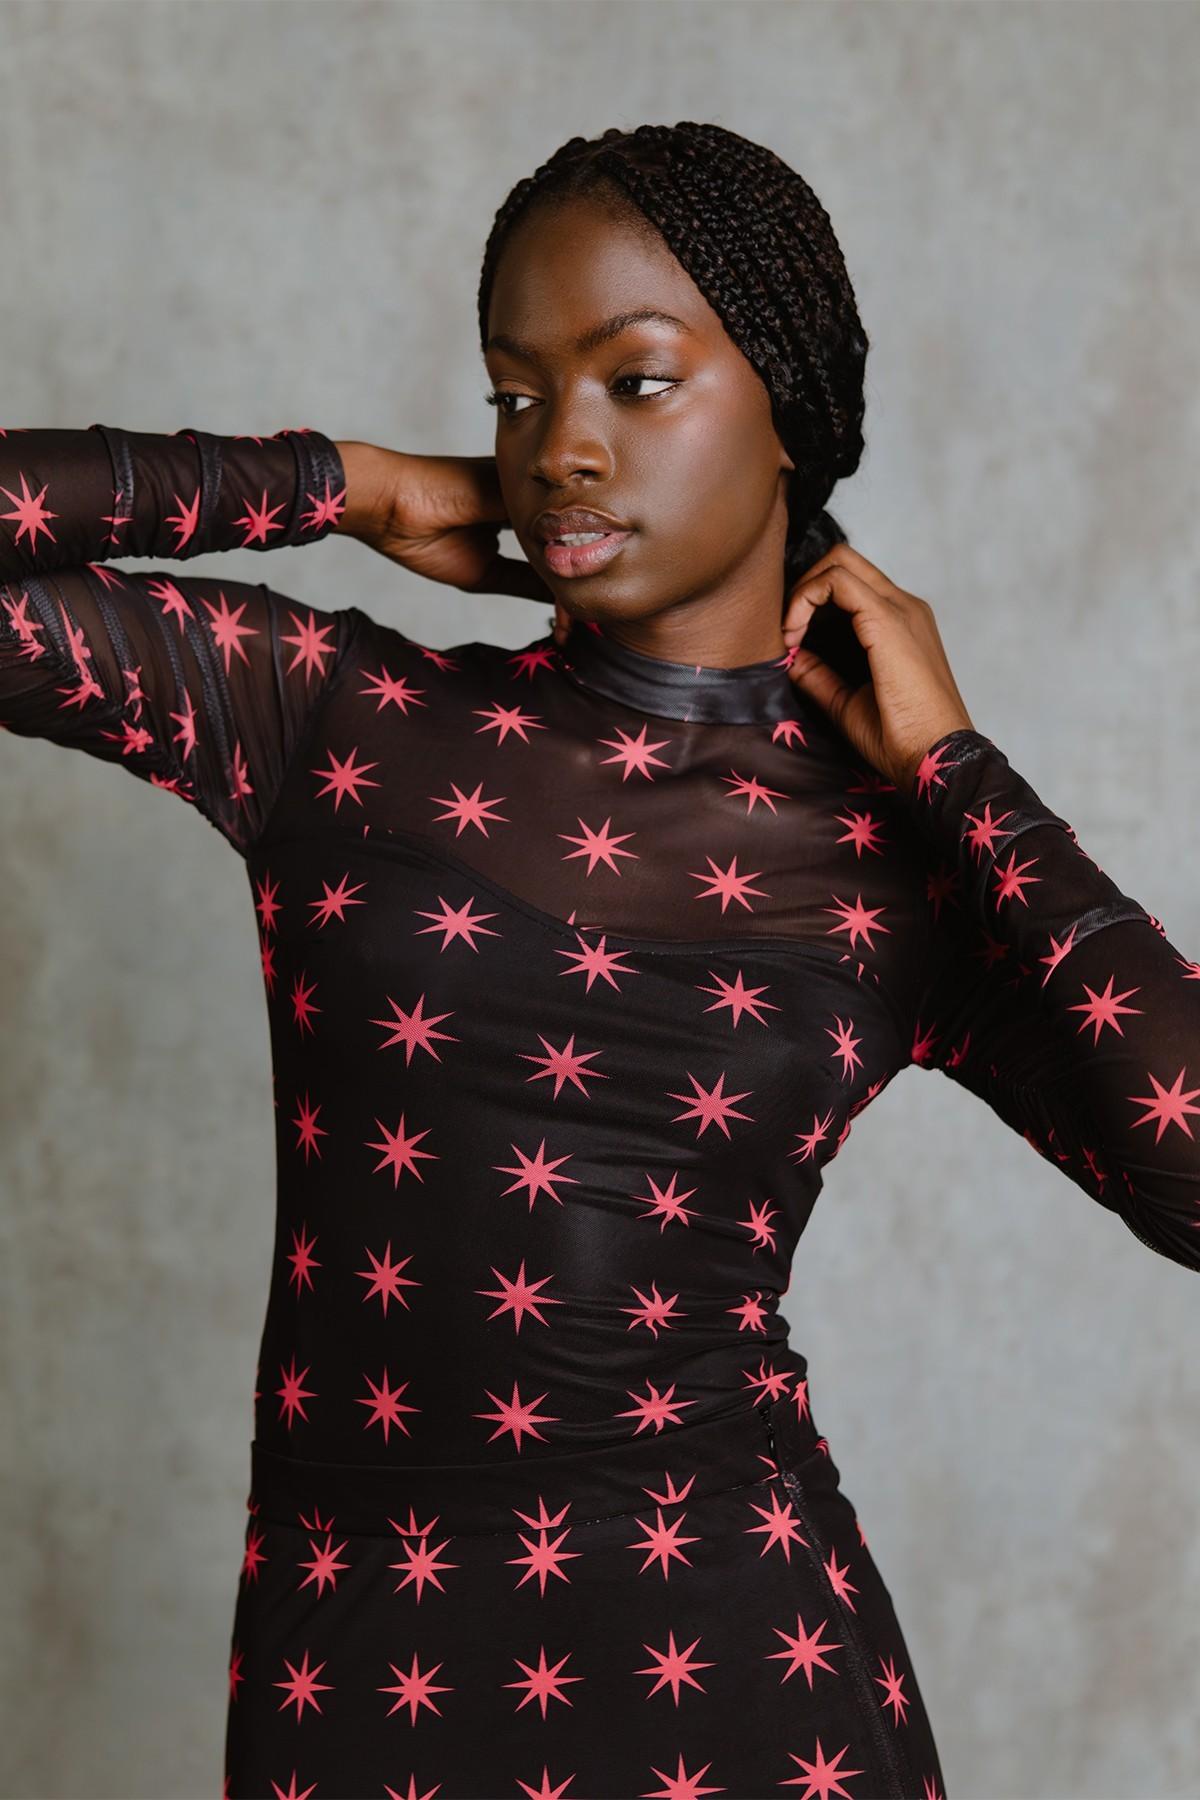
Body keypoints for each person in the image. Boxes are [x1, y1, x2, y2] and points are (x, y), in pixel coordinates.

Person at [2, 120, 1196, 1800]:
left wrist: (957, 771)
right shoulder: (334, 716)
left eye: (636, 382)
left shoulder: (904, 861)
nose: (560, 448)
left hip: (746, 1665)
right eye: (514, 394)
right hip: (358, 1661)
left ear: (792, 413)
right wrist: (348, 483)